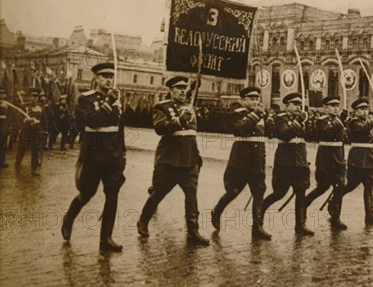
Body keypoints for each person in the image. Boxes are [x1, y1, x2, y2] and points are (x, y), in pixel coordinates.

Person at [61, 62, 126, 252]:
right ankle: (69, 218)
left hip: (113, 155)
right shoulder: (85, 99)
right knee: (87, 193)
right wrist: (108, 103)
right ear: (96, 78)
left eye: (111, 76)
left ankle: (106, 237)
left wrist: (123, 154)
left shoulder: (118, 100)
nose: (108, 80)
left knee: (112, 195)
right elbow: (91, 121)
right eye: (104, 76)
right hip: (93, 155)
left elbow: (120, 129)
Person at [137, 76, 209, 246]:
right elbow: (160, 128)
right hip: (170, 161)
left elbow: (193, 134)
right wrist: (178, 120)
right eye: (178, 88)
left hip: (190, 159)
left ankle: (193, 231)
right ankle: (143, 220)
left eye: (184, 88)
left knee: (191, 196)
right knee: (159, 193)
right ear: (171, 90)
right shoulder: (161, 107)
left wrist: (204, 116)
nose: (182, 90)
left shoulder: (191, 108)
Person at [211, 86, 271, 240]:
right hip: (241, 160)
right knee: (234, 191)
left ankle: (257, 226)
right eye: (251, 99)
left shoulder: (260, 115)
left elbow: (267, 134)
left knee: (259, 191)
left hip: (257, 159)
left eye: (256, 98)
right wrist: (257, 114)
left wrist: (270, 120)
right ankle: (217, 210)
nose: (255, 101)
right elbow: (241, 128)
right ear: (242, 100)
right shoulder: (237, 113)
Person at [261, 92, 314, 237]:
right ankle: (258, 217)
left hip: (300, 161)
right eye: (295, 104)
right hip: (285, 163)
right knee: (279, 193)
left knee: (301, 193)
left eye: (299, 104)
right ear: (287, 105)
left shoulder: (301, 119)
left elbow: (310, 136)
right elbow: (283, 133)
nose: (298, 107)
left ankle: (300, 225)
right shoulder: (280, 118)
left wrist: (308, 122)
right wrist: (298, 122)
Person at [331, 98, 373, 226]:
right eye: (362, 109)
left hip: (370, 160)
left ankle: (369, 215)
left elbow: (372, 143)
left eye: (366, 109)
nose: (365, 112)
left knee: (369, 188)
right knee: (350, 186)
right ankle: (334, 202)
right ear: (355, 111)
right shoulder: (354, 123)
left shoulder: (368, 123)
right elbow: (364, 128)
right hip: (357, 160)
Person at [305, 95, 348, 230]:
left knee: (339, 188)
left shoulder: (338, 121)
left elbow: (342, 142)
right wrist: (340, 122)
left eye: (337, 106)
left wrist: (343, 159)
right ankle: (303, 205)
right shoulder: (321, 120)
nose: (336, 108)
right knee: (322, 188)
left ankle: (336, 217)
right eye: (332, 106)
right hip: (325, 160)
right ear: (325, 108)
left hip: (338, 159)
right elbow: (326, 131)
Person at [15, 88, 46, 176]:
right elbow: (19, 117)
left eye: (36, 97)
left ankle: (34, 169)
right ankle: (17, 165)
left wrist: (45, 130)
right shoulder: (25, 107)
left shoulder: (40, 108)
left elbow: (44, 120)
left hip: (36, 132)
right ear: (29, 97)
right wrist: (25, 120)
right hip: (26, 131)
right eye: (33, 96)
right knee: (22, 148)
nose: (34, 98)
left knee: (36, 150)